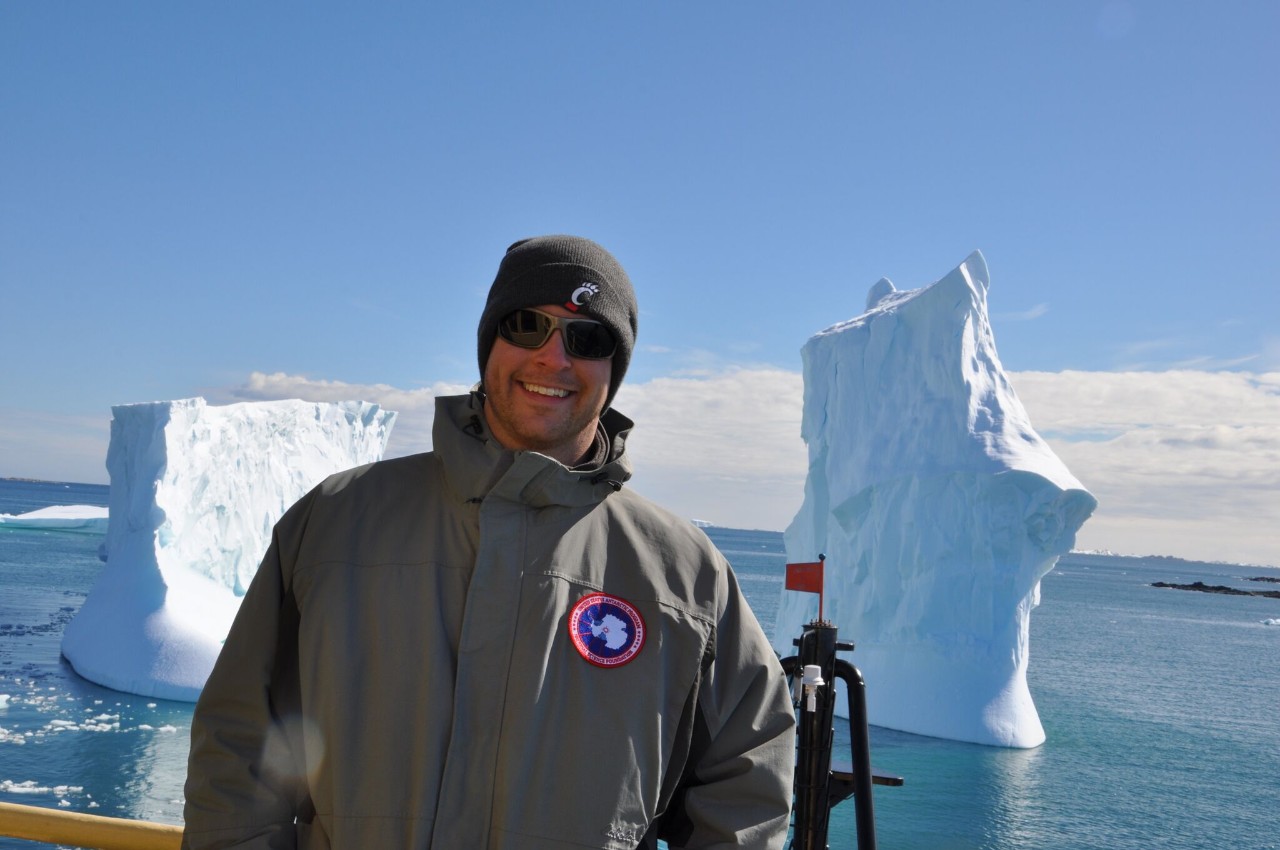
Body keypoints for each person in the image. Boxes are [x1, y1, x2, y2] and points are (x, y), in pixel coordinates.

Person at [180, 235, 796, 849]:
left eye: (588, 339)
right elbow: (238, 744)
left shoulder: (685, 575)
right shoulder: (336, 523)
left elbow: (747, 783)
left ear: (616, 368)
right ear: (489, 342)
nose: (553, 359)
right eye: (527, 326)